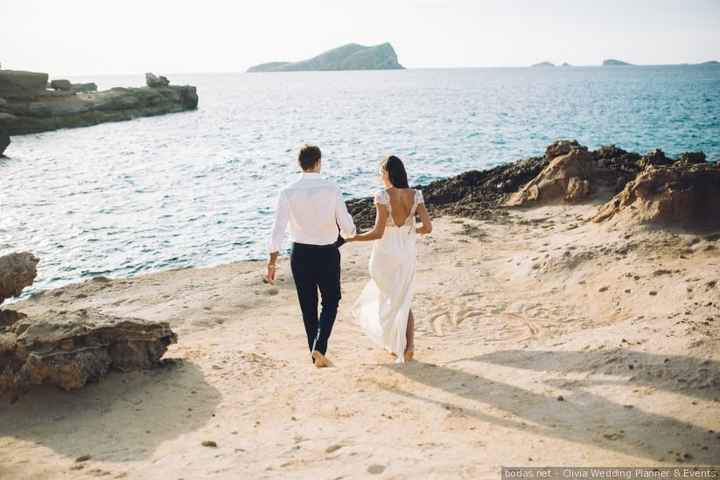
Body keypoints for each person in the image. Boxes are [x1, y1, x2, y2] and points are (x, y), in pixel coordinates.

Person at [266, 145, 356, 368]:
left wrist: (272, 261)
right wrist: (351, 232)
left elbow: (277, 229)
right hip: (326, 253)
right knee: (331, 301)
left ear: (301, 164)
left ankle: (314, 353)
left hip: (300, 254)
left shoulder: (287, 191)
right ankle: (319, 347)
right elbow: (346, 226)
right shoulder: (331, 188)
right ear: (318, 162)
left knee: (308, 306)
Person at [347, 155, 432, 363]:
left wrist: (354, 237)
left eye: (380, 172)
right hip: (407, 253)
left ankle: (395, 344)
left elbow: (377, 232)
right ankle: (409, 346)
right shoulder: (416, 195)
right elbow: (428, 227)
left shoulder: (382, 196)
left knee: (388, 297)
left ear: (386, 173)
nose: (380, 176)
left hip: (385, 254)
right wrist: (411, 233)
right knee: (404, 298)